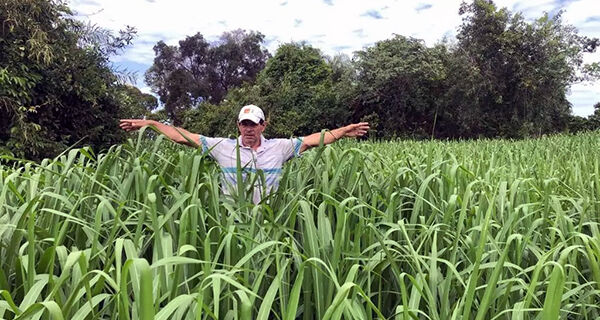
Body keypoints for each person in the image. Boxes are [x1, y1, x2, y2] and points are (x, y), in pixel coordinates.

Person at [120, 104, 369, 203]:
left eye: (253, 124)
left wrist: (344, 131)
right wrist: (150, 123)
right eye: (244, 124)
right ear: (238, 125)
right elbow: (182, 136)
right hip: (233, 221)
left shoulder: (279, 148)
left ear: (263, 126)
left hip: (270, 221)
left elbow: (315, 140)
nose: (248, 129)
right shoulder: (223, 147)